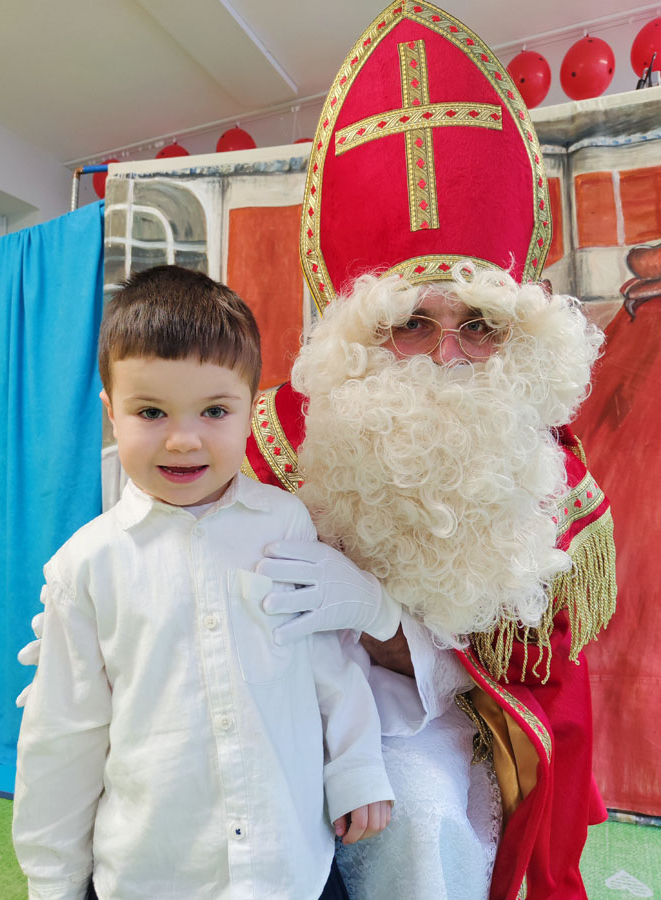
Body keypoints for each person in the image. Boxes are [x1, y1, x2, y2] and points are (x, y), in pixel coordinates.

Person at [241, 5, 617, 899]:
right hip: (282, 695)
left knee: (417, 818)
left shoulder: (546, 470)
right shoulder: (273, 432)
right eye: (413, 324)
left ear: (516, 335)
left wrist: (386, 625)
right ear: (364, 331)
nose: (447, 353)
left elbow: (538, 673)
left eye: (477, 325)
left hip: (440, 719)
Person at [12, 265, 393, 900]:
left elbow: (329, 662)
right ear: (111, 415)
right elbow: (62, 736)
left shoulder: (284, 523)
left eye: (214, 410)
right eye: (151, 412)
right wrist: (52, 882)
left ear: (250, 409)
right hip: (154, 873)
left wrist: (357, 769)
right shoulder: (88, 565)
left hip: (289, 867)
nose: (184, 439)